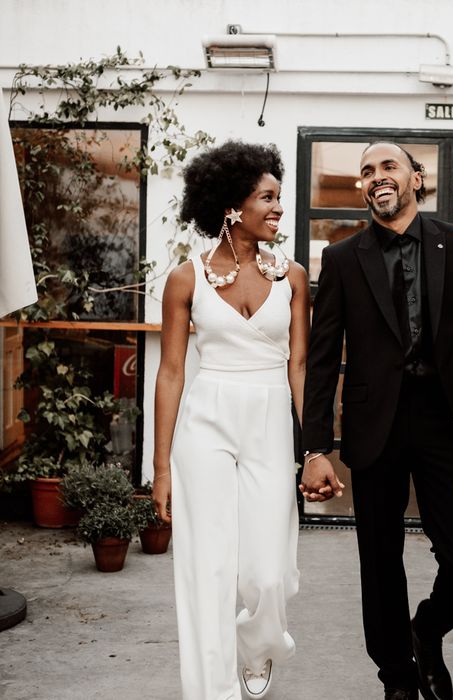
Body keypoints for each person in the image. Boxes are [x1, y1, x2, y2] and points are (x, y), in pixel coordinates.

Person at [300, 142, 453, 700]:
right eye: (366, 171)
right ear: (362, 189)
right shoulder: (344, 259)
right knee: (379, 562)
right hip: (377, 427)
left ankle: (428, 629)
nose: (377, 177)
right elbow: (322, 359)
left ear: (415, 179)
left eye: (388, 166)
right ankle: (397, 677)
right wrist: (315, 446)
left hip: (450, 423)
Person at [152, 140, 309, 700]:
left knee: (268, 573)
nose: (277, 209)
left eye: (277, 197)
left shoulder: (292, 277)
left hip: (268, 418)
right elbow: (170, 372)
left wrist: (311, 448)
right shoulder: (185, 279)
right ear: (230, 206)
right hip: (207, 421)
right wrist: (162, 467)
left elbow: (298, 366)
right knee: (206, 569)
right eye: (267, 198)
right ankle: (210, 691)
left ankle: (258, 644)